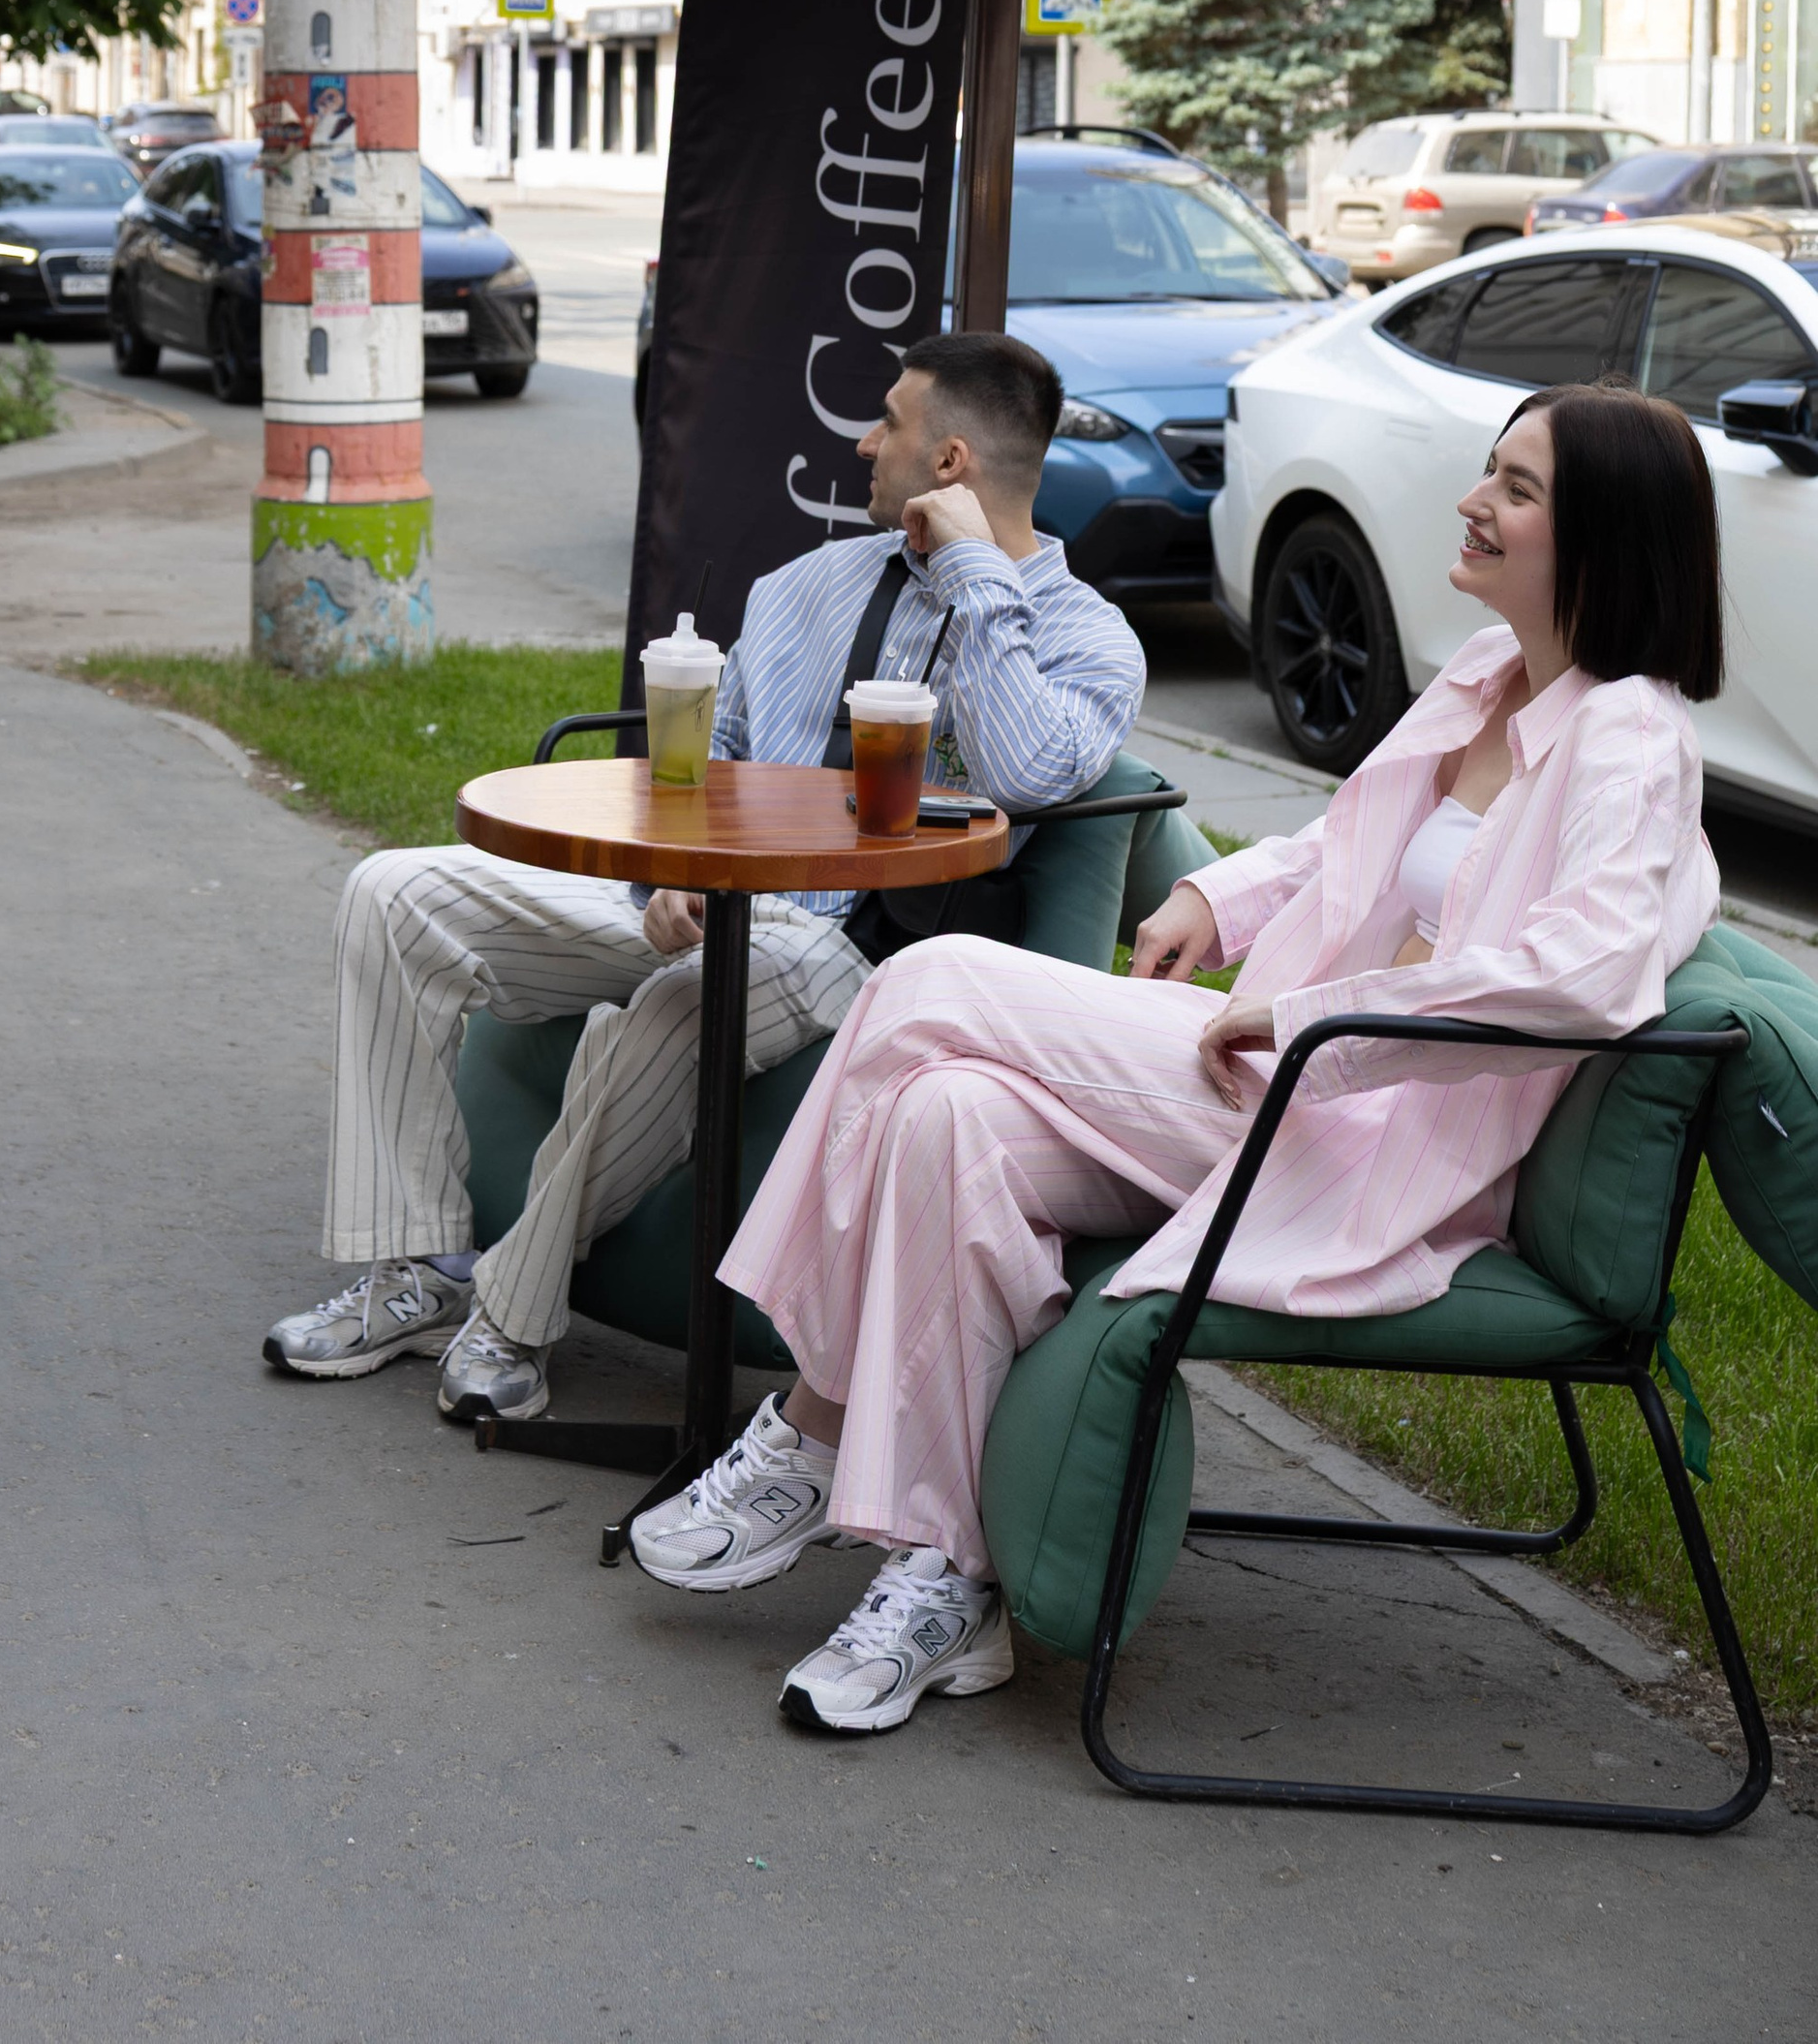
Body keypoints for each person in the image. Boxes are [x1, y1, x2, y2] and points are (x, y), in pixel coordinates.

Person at [629, 379, 1725, 1737]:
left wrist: (1331, 1009)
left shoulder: (1631, 737)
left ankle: (810, 1417)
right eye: (1487, 472)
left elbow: (1593, 969)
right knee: (946, 1117)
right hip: (1284, 1080)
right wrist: (1220, 900)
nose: (1473, 502)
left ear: (1607, 536)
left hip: (1366, 1140)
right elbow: (1342, 846)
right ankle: (949, 1581)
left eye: (1516, 487)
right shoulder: (1488, 680)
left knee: (928, 983)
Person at [264, 329, 1155, 1422]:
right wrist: (672, 873)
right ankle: (412, 1264)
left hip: (856, 955)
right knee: (395, 893)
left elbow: (1024, 770)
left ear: (952, 464)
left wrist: (972, 574)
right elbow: (714, 763)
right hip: (706, 910)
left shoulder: (1086, 641)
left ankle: (508, 1311)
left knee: (699, 990)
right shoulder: (806, 586)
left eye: (888, 423)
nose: (864, 443)